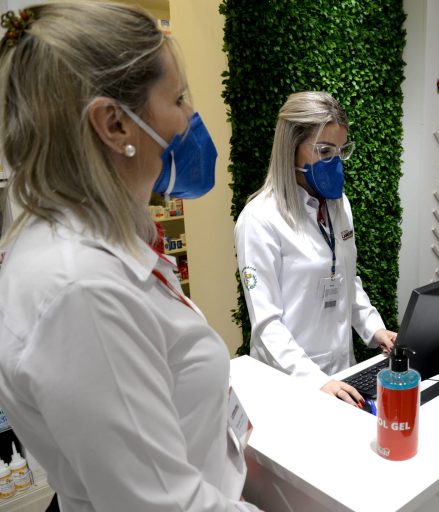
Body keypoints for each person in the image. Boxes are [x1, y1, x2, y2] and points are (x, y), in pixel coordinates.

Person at [0, 3, 260, 511]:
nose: (190, 117)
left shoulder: (107, 240)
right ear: (114, 124)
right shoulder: (82, 290)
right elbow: (165, 506)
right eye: (178, 98)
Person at [234, 91, 396, 407]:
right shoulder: (259, 219)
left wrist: (375, 329)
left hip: (342, 375)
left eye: (341, 150)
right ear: (290, 148)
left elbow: (346, 279)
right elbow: (267, 324)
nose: (335, 161)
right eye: (324, 151)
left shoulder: (338, 205)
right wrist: (316, 380)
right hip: (288, 382)